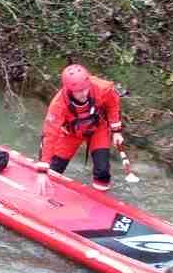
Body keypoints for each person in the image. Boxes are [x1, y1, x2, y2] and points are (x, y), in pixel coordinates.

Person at [40, 63, 123, 191]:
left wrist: (116, 131)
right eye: (79, 91)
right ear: (70, 90)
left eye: (85, 89)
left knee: (103, 170)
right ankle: (46, 193)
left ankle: (101, 198)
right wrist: (42, 169)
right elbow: (50, 134)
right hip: (70, 134)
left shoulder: (101, 88)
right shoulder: (58, 105)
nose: (84, 94)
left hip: (97, 129)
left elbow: (113, 105)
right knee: (54, 169)